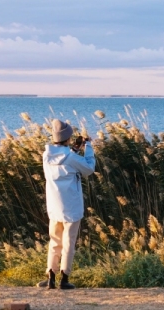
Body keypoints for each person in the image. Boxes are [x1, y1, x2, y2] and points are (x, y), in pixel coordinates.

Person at [39, 119, 96, 289]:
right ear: (68, 138)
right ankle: (64, 278)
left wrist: (74, 149)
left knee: (54, 241)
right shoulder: (71, 157)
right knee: (68, 242)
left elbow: (62, 159)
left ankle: (50, 277)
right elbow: (88, 169)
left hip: (54, 206)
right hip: (71, 206)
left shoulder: (46, 156)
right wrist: (89, 148)